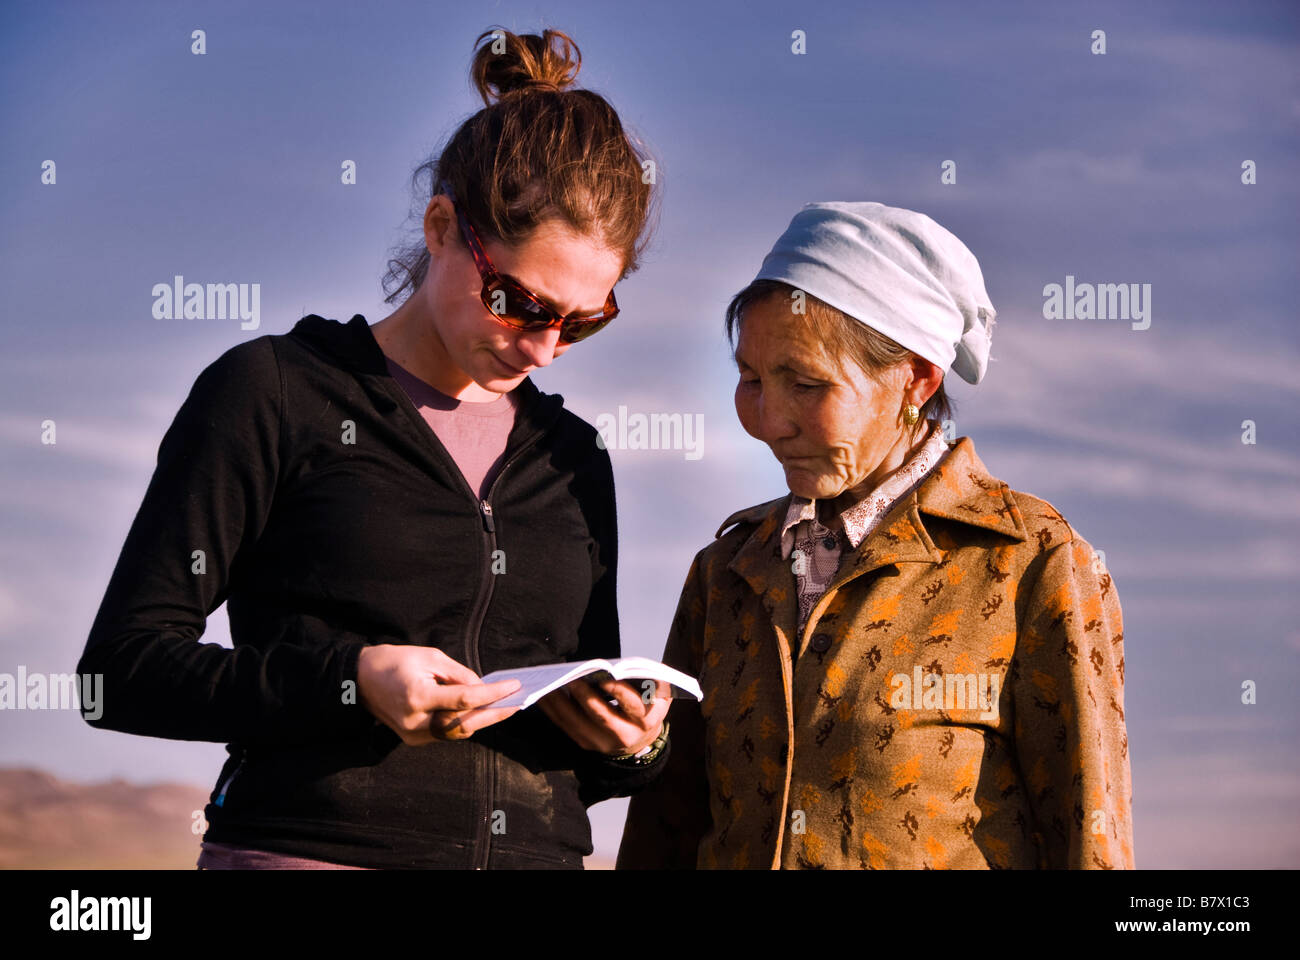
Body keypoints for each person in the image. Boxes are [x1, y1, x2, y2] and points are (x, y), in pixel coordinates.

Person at [77, 26, 670, 870]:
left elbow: (582, 744)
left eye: (582, 322)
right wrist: (350, 680)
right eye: (520, 302)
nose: (543, 346)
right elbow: (120, 672)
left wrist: (632, 745)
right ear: (440, 227)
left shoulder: (574, 456)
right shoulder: (275, 391)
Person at [616, 201, 1134, 869]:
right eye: (749, 380)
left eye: (805, 384)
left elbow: (1091, 838)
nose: (769, 420)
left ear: (915, 379)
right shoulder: (726, 572)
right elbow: (665, 833)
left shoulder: (1032, 563)